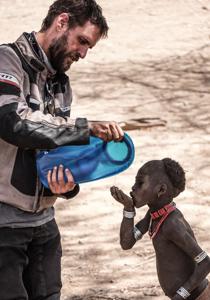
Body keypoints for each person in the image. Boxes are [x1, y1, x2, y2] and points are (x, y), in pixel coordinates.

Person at [0, 0, 124, 299]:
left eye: (89, 48)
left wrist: (67, 187)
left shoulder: (61, 84)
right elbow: (10, 123)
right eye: (82, 41)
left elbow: (54, 151)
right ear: (61, 22)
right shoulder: (7, 60)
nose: (83, 53)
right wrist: (84, 128)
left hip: (44, 225)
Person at [110, 158, 210, 300]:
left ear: (161, 190)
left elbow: (205, 262)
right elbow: (127, 242)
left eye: (140, 183)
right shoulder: (153, 215)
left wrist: (181, 294)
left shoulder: (173, 223)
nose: (133, 188)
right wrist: (128, 209)